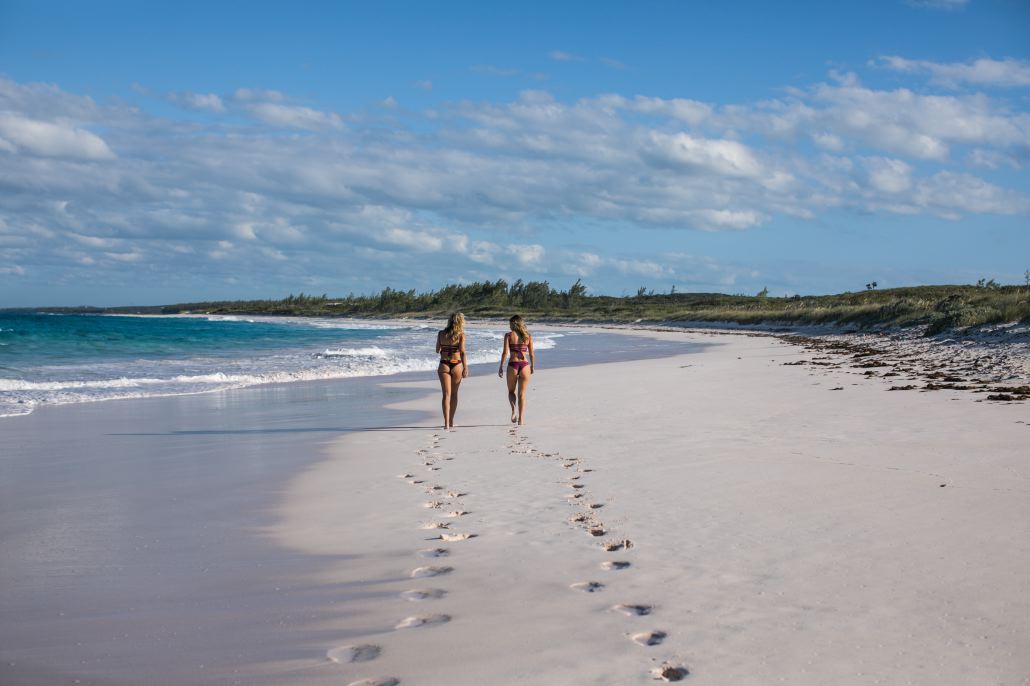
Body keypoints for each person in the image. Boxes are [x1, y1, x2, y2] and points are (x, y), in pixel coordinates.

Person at [497, 315, 534, 425]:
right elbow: (531, 354)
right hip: (524, 365)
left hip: (513, 365)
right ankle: (521, 419)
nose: (509, 326)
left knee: (511, 392)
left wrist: (501, 366)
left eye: (510, 323)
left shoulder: (508, 335)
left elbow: (505, 352)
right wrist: (532, 366)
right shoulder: (528, 336)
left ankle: (513, 411)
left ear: (514, 323)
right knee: (522, 394)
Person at [436, 312, 468, 429]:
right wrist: (465, 367)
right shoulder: (461, 335)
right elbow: (463, 352)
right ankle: (451, 421)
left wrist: (444, 348)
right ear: (460, 322)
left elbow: (437, 349)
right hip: (457, 365)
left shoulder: (440, 333)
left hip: (444, 364)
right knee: (454, 394)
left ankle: (446, 424)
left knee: (446, 395)